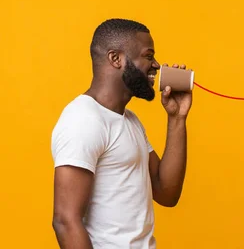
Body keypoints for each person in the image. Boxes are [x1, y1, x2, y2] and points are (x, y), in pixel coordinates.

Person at [50, 18, 193, 248]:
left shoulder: (130, 121)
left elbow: (166, 192)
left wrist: (177, 118)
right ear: (116, 59)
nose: (156, 65)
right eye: (148, 56)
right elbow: (66, 221)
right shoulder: (83, 120)